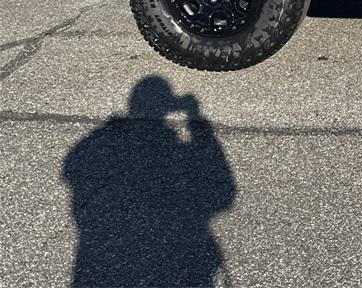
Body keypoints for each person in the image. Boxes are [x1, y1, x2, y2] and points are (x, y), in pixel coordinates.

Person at [63, 76, 236, 287]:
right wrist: (195, 119)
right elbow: (222, 193)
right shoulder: (166, 146)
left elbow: (73, 168)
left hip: (98, 255)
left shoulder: (96, 143)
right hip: (176, 256)